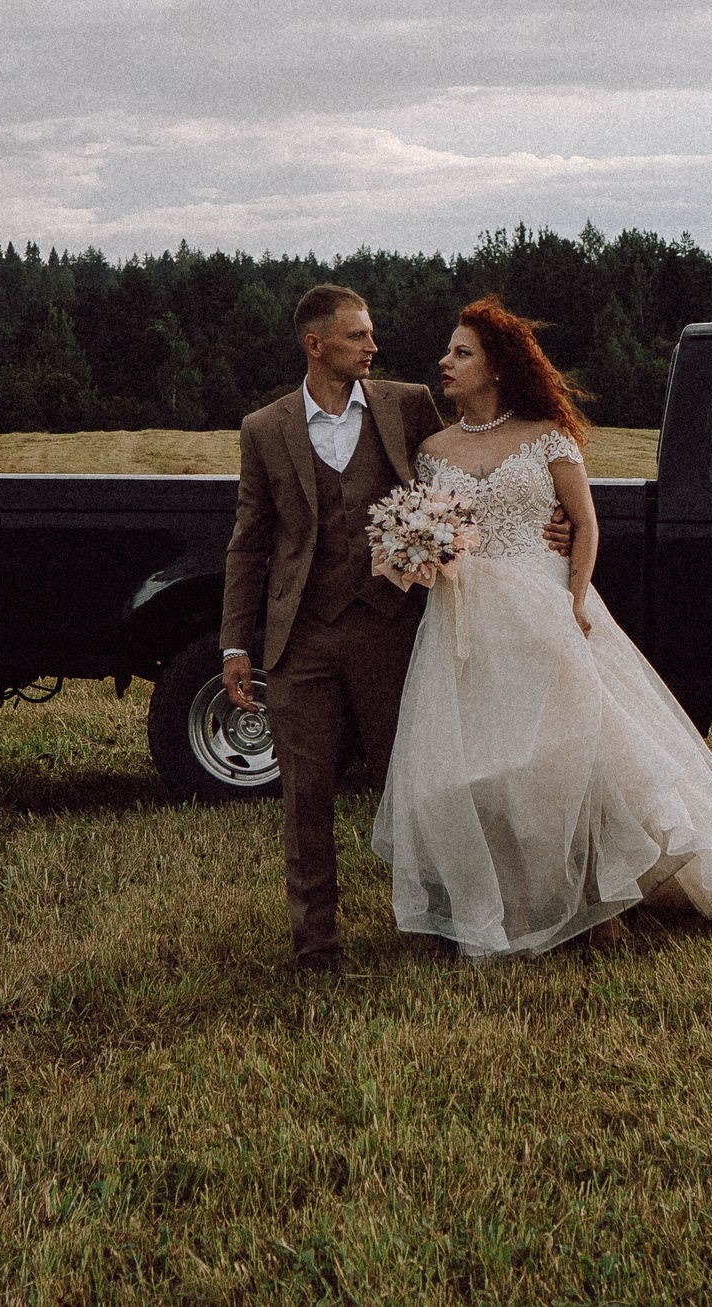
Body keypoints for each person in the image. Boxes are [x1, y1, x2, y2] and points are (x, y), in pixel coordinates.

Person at [372, 296, 712, 961]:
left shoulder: (547, 434)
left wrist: (573, 596)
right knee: (486, 759)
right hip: (465, 616)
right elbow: (438, 530)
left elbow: (586, 522)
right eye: (449, 350)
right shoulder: (433, 451)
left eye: (462, 351)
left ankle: (604, 901)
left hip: (546, 604)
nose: (444, 361)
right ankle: (513, 901)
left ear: (498, 366)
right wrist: (418, 551)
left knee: (582, 751)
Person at [218, 285, 571, 974]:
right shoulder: (265, 428)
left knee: (422, 785)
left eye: (370, 334)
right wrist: (236, 642)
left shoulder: (407, 405)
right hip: (303, 640)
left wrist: (552, 519)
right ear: (315, 345)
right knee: (306, 796)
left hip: (393, 633)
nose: (372, 346)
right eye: (356, 337)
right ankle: (316, 945)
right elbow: (249, 541)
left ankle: (446, 918)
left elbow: (470, 475)